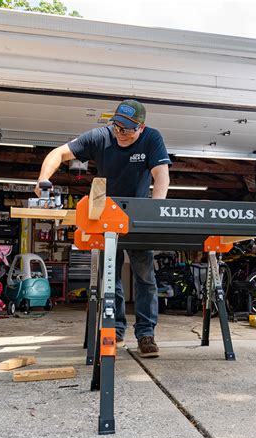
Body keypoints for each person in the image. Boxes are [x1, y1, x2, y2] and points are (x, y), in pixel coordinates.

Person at [35, 99, 171, 358]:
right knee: (111, 277)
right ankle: (115, 330)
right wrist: (43, 178)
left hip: (139, 217)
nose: (121, 134)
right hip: (105, 215)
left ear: (141, 127)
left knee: (144, 277)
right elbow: (58, 154)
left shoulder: (152, 138)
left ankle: (146, 334)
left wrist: (156, 210)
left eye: (128, 130)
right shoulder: (100, 137)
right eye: (117, 127)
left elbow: (161, 174)